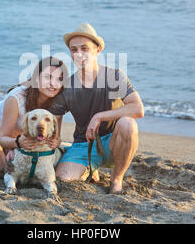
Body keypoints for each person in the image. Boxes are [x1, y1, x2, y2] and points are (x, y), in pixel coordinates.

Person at [48, 23, 144, 194]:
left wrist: (100, 116)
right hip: (83, 145)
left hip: (114, 143)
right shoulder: (67, 86)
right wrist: (54, 139)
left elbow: (137, 109)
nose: (78, 54)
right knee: (63, 179)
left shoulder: (114, 76)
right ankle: (91, 169)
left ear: (97, 49)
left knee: (128, 124)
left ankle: (116, 179)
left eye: (84, 48)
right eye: (74, 49)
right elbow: (54, 119)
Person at [0, 56, 68, 176]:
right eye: (48, 77)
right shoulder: (16, 98)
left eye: (59, 79)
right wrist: (15, 145)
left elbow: (56, 137)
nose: (53, 84)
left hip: (15, 136)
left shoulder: (57, 102)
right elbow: (4, 137)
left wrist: (56, 142)